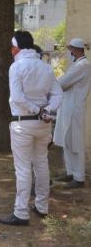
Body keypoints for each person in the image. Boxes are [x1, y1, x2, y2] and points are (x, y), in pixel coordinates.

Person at [0, 31, 63, 226]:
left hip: (23, 123)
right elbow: (58, 94)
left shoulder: (16, 67)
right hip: (43, 124)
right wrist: (46, 110)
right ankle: (42, 207)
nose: (11, 50)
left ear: (16, 47)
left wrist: (37, 110)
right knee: (41, 164)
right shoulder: (46, 67)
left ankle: (21, 212)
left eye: (12, 46)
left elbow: (17, 97)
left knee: (23, 169)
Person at [53, 38, 91, 189]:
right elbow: (62, 84)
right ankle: (70, 172)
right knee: (67, 140)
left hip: (75, 108)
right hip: (68, 107)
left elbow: (62, 83)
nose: (69, 52)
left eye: (71, 49)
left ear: (76, 50)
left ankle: (79, 177)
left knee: (76, 142)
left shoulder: (83, 66)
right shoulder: (77, 65)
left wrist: (58, 84)